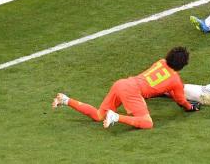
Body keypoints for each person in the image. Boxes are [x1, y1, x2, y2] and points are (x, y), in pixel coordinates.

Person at [52, 47, 199, 130]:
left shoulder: (160, 62)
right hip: (133, 91)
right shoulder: (176, 81)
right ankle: (115, 117)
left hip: (122, 83)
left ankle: (66, 100)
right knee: (147, 123)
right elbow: (180, 99)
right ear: (182, 65)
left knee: (98, 115)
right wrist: (189, 107)